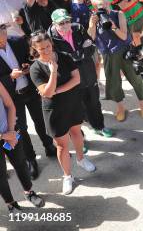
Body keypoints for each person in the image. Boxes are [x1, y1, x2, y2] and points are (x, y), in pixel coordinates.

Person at [29, 32, 96, 195]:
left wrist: (56, 90)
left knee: (77, 133)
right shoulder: (35, 68)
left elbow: (77, 79)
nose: (46, 51)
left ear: (51, 43)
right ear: (35, 49)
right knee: (62, 145)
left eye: (48, 46)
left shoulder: (64, 56)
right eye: (42, 49)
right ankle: (67, 176)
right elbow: (47, 92)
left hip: (73, 104)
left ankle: (81, 159)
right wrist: (53, 72)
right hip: (54, 111)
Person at [0, 25, 56, 180]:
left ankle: (49, 146)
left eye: (2, 27)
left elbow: (33, 58)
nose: (2, 31)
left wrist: (28, 65)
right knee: (22, 130)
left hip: (31, 90)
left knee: (41, 120)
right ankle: (31, 159)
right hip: (12, 97)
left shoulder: (17, 41)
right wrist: (10, 77)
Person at [48, 9, 112, 138]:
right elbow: (59, 58)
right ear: (54, 23)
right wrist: (79, 54)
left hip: (88, 72)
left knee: (94, 102)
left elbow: (90, 47)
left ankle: (99, 126)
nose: (66, 25)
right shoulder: (49, 38)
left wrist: (75, 55)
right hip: (70, 78)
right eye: (61, 23)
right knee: (75, 108)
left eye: (67, 21)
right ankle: (79, 138)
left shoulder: (78, 28)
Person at [87, 0, 143, 122]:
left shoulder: (118, 14)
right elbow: (91, 38)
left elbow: (123, 36)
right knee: (114, 83)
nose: (103, 7)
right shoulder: (94, 19)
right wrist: (91, 25)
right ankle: (121, 108)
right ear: (94, 8)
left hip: (125, 52)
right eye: (99, 5)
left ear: (108, 3)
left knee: (135, 78)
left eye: (105, 3)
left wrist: (113, 26)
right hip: (108, 55)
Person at [0, 81, 45, 212]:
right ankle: (11, 203)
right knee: (1, 174)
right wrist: (3, 136)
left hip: (11, 131)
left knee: (21, 162)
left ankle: (29, 192)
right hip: (5, 136)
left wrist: (12, 132)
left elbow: (10, 105)